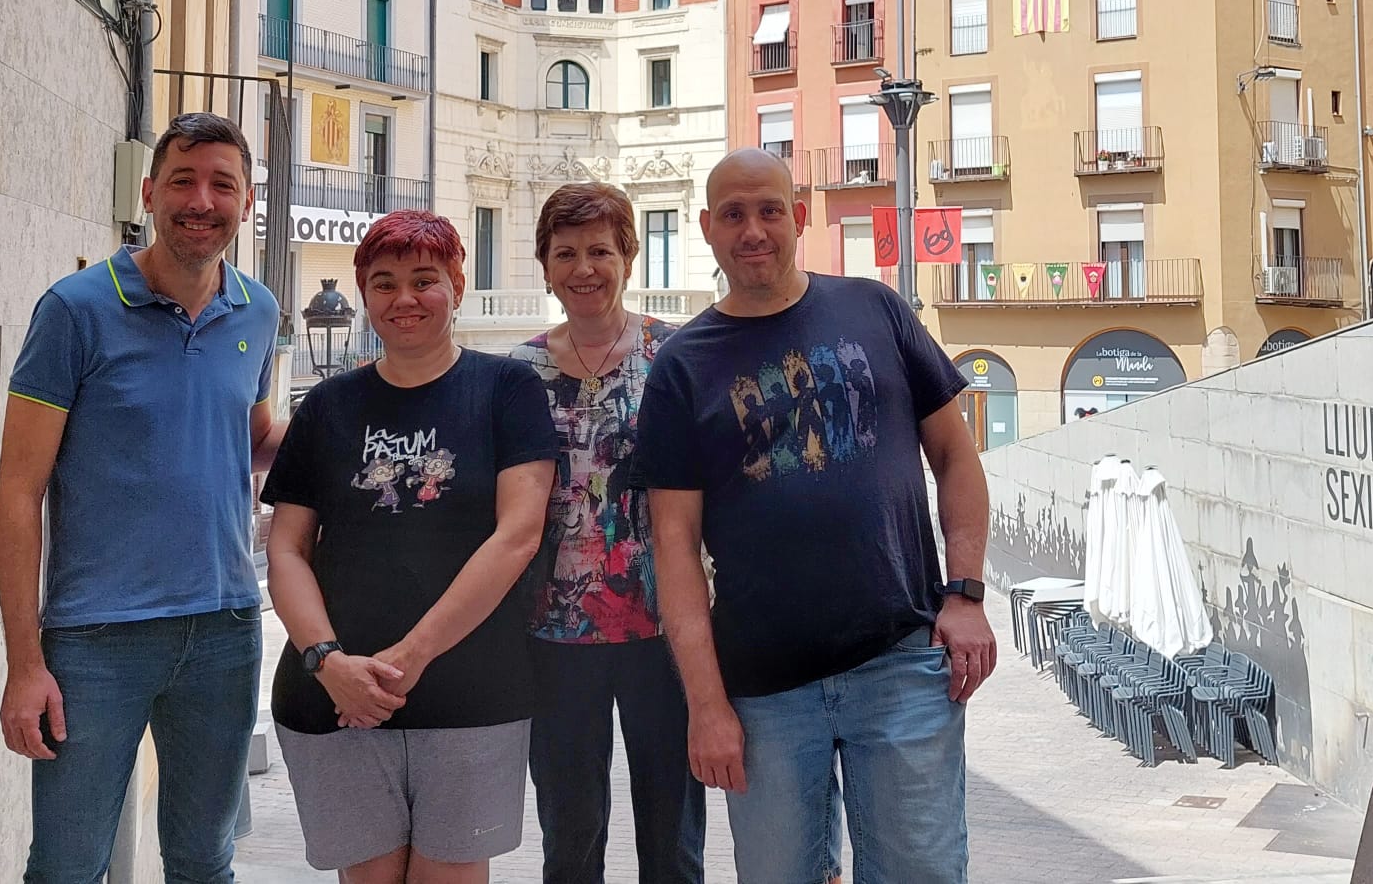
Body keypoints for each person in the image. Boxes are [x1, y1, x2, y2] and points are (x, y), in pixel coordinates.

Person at [640, 149, 999, 884]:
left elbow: (958, 460)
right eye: (733, 214)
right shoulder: (680, 366)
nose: (753, 229)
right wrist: (706, 705)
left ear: (799, 216)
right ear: (706, 227)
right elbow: (672, 546)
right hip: (765, 692)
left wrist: (965, 594)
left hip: (899, 662)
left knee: (921, 873)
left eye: (769, 209)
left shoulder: (876, 309)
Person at [0, 112, 283, 883]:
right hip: (95, 641)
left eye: (223, 183)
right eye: (183, 180)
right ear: (150, 192)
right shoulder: (74, 310)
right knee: (67, 867)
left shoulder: (259, 311)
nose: (202, 199)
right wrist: (25, 664)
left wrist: (366, 424)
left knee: (204, 861)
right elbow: (17, 494)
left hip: (224, 630)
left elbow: (249, 437)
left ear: (247, 201)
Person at [260, 210, 559, 883]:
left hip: (472, 693)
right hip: (337, 697)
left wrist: (410, 655)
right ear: (365, 295)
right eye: (385, 283)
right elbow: (287, 550)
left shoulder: (506, 390)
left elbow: (517, 535)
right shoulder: (328, 407)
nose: (405, 300)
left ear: (456, 283)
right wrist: (327, 660)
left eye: (424, 280)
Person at [511, 182, 705, 883]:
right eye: (566, 252)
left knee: (673, 830)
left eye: (600, 249)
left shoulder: (677, 356)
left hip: (666, 626)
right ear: (545, 265)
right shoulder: (516, 373)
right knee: (569, 831)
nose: (584, 267)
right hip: (554, 634)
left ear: (628, 254)